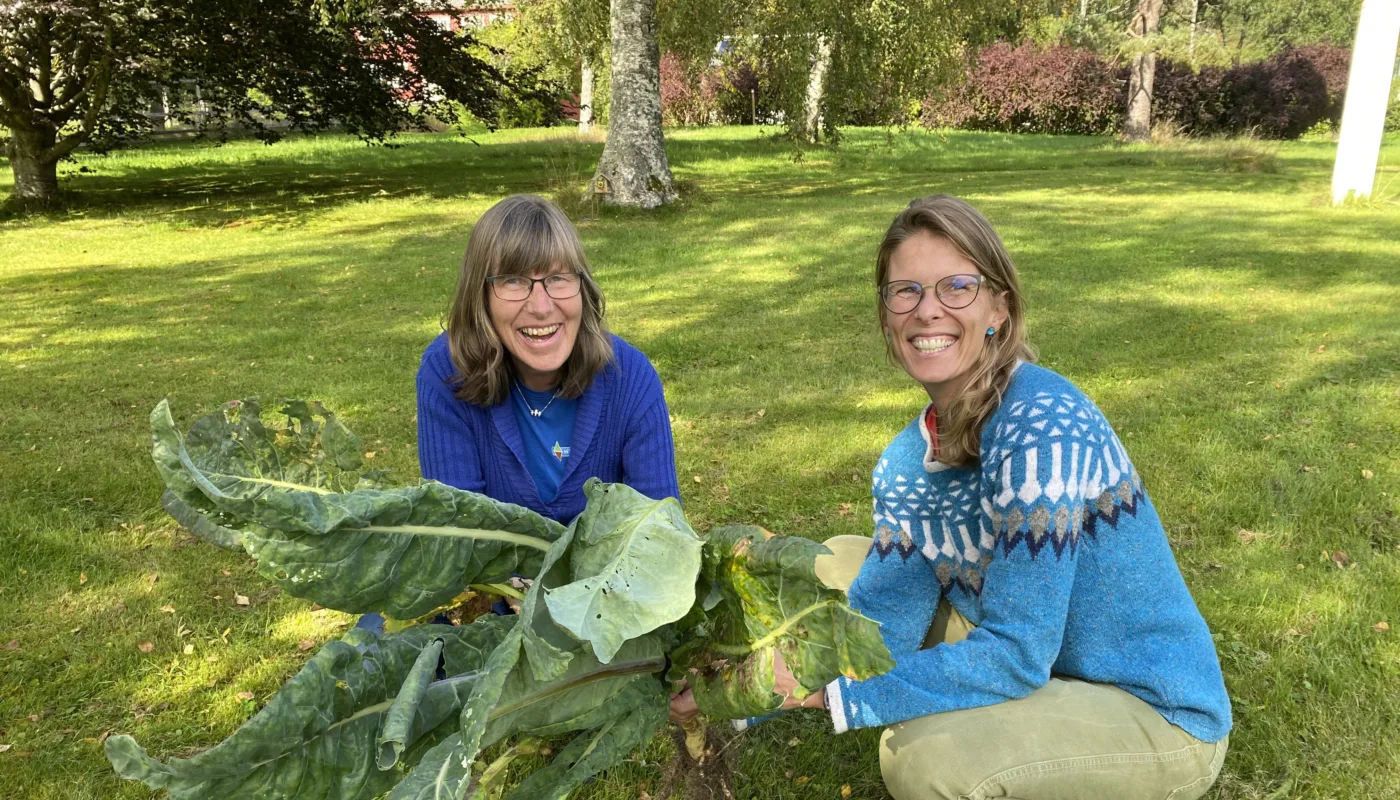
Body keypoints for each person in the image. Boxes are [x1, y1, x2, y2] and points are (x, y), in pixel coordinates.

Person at [672, 195, 1232, 800]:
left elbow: (1017, 654)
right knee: (836, 562)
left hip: (1149, 709)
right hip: (1046, 670)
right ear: (887, 316)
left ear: (1000, 308)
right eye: (904, 291)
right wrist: (739, 693)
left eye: (957, 287)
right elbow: (883, 623)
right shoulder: (906, 461)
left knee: (927, 760)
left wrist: (833, 694)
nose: (927, 310)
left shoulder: (1042, 423)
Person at [415, 194, 681, 523]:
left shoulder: (631, 379)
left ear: (582, 287)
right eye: (513, 280)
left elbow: (660, 537)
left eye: (557, 278)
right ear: (480, 296)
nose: (541, 308)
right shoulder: (446, 373)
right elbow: (457, 534)